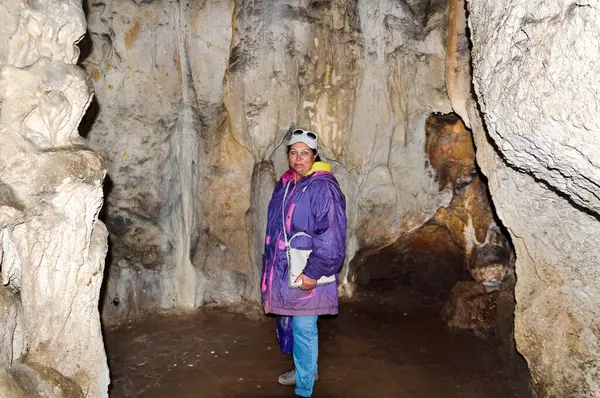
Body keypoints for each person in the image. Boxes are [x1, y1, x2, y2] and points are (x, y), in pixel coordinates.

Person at [261, 128, 347, 398]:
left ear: (315, 155)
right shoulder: (287, 183)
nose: (298, 158)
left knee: (304, 328)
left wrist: (314, 272)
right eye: (294, 152)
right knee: (292, 324)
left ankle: (304, 389)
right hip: (286, 267)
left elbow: (331, 236)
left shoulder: (322, 187)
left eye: (305, 153)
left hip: (308, 268)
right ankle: (305, 371)